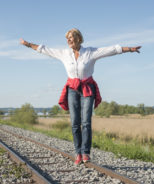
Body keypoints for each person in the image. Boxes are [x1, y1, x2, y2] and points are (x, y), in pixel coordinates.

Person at [20, 28, 141, 165]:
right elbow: (45, 49)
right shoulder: (64, 54)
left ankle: (85, 153)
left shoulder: (90, 52)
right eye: (67, 38)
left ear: (78, 38)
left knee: (86, 122)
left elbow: (111, 50)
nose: (68, 40)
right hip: (72, 89)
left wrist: (130, 49)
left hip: (87, 89)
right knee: (75, 123)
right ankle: (78, 152)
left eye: (71, 37)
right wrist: (28, 44)